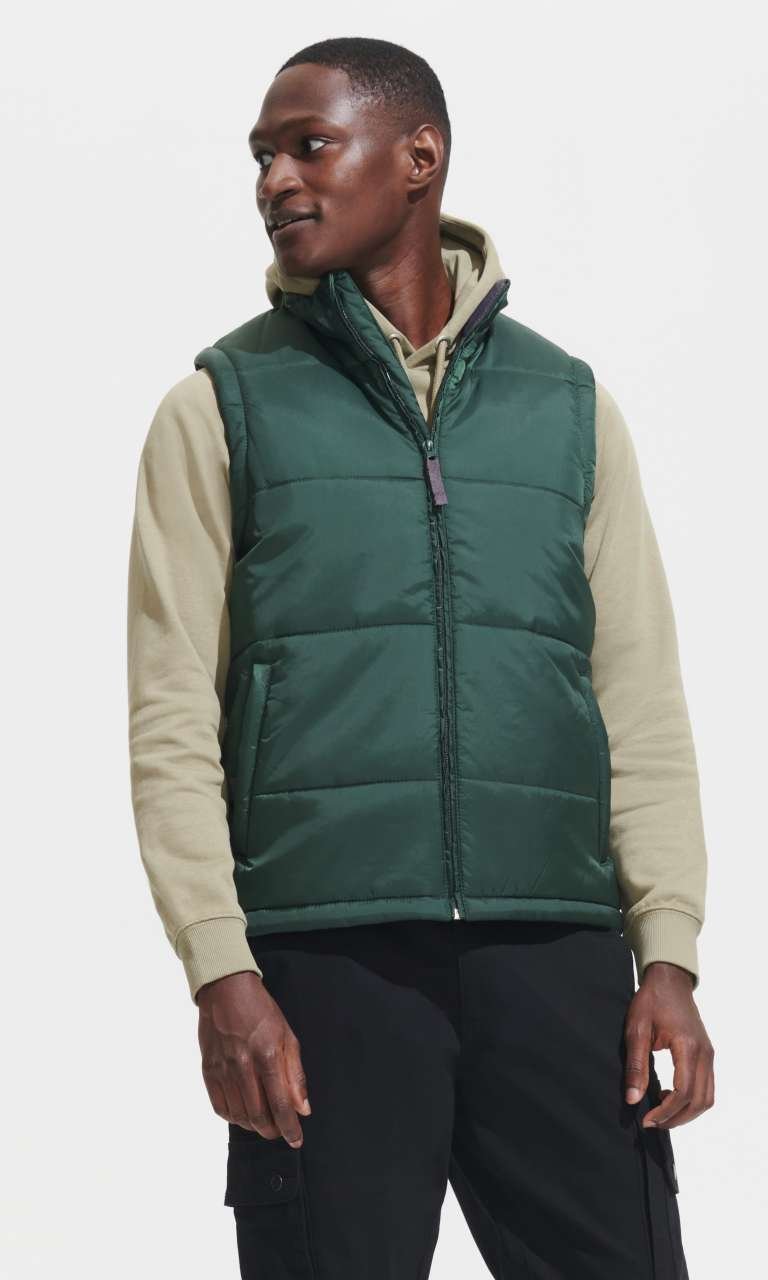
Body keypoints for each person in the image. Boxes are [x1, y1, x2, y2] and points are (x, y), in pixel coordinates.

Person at [126, 35, 713, 1280]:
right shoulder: (222, 404)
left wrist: (665, 947)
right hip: (323, 963)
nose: (275, 180)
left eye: (309, 146)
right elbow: (170, 713)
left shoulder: (567, 406)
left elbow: (637, 699)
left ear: (418, 158)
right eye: (261, 157)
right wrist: (221, 970)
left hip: (554, 957)